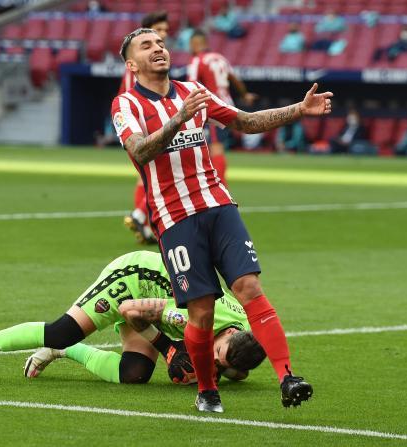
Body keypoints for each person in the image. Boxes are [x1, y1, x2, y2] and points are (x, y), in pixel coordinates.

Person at [111, 28, 331, 412]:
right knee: (201, 311)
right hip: (175, 217)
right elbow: (140, 151)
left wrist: (298, 109)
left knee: (250, 287)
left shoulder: (193, 90)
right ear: (132, 64)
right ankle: (207, 390)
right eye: (147, 46)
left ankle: (287, 377)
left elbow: (244, 121)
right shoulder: (125, 104)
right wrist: (179, 118)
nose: (158, 48)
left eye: (160, 43)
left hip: (219, 206)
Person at [0, 251, 265, 385]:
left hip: (158, 304)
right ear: (226, 334)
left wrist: (218, 369)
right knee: (61, 331)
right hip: (133, 280)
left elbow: (237, 368)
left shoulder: (244, 337)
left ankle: (64, 352)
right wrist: (169, 350)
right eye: (216, 354)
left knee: (133, 374)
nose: (214, 361)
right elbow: (131, 311)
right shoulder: (195, 316)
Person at [119, 11, 170, 245]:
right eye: (159, 30)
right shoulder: (139, 66)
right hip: (141, 123)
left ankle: (147, 227)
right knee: (159, 176)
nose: (164, 35)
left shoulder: (150, 60)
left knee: (146, 178)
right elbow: (133, 97)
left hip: (144, 122)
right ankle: (141, 216)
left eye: (165, 31)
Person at [188, 29, 257, 184]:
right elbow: (234, 79)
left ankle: (221, 185)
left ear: (195, 43)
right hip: (228, 106)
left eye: (190, 45)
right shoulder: (220, 58)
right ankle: (212, 181)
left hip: (212, 107)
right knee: (212, 145)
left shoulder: (197, 60)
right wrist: (245, 95)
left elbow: (191, 86)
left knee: (215, 146)